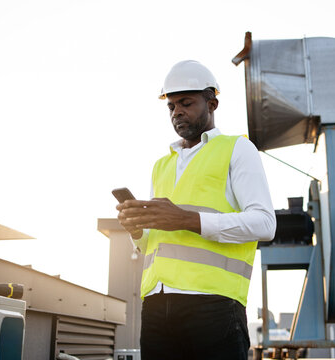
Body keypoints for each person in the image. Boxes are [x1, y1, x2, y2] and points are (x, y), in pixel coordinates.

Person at [116, 60, 276, 360]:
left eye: (186, 103)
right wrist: (136, 230)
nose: (177, 111)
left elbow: (265, 224)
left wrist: (187, 219)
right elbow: (151, 241)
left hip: (213, 305)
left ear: (212, 103)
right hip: (156, 305)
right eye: (172, 106)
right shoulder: (161, 166)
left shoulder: (237, 149)